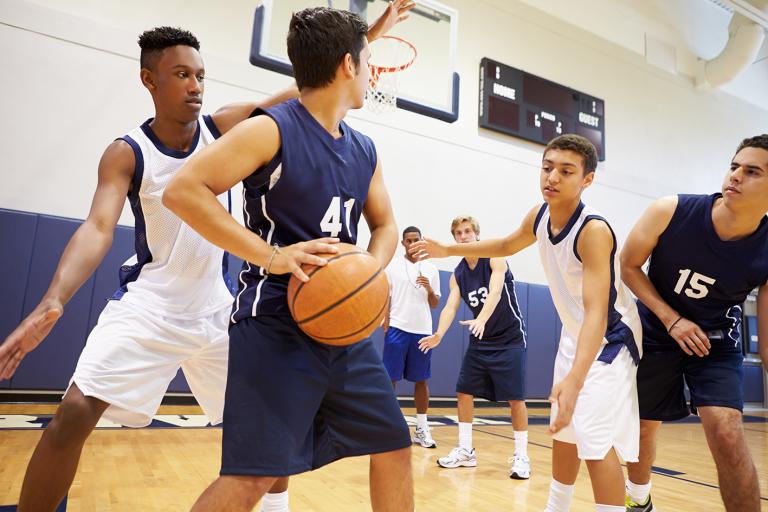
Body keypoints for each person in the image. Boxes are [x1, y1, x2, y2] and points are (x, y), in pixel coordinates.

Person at [0, 4, 412, 510]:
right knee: (74, 415)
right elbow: (97, 227)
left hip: (217, 311)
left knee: (272, 459)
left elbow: (314, 90)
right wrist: (53, 299)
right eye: (181, 75)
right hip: (151, 306)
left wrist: (368, 36)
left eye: (200, 75)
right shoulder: (129, 151)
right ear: (149, 80)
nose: (195, 85)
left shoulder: (225, 126)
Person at [163, 6, 414, 512]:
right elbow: (184, 191)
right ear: (348, 65)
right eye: (369, 61)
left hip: (342, 325)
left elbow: (385, 225)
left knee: (394, 444)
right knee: (252, 478)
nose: (372, 73)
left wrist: (369, 269)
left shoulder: (365, 148)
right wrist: (272, 256)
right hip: (276, 321)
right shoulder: (272, 130)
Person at [411, 134, 642, 512]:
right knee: (564, 430)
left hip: (611, 338)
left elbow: (598, 313)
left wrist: (576, 376)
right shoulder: (539, 215)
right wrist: (449, 250)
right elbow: (504, 245)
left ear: (587, 180)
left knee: (594, 437)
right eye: (547, 167)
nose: (552, 177)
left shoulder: (593, 231)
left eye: (566, 171)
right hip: (576, 332)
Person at [621, 134, 768, 512]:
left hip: (715, 342)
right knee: (643, 426)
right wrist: (673, 320)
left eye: (751, 171)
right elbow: (628, 265)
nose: (735, 176)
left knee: (727, 431)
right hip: (656, 329)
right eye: (734, 166)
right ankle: (639, 501)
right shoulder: (670, 210)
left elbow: (767, 346)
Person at [418, 215, 531, 479]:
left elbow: (495, 292)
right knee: (464, 392)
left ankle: (522, 456)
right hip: (481, 341)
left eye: (468, 231)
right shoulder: (458, 273)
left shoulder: (494, 257)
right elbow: (450, 306)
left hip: (509, 338)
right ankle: (466, 450)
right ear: (455, 238)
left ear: (477, 234)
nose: (463, 236)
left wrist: (481, 318)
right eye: (458, 233)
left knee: (515, 398)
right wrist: (439, 334)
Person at [383, 225, 441, 449]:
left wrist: (428, 289)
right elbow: (386, 296)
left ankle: (422, 428)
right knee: (390, 378)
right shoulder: (393, 267)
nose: (412, 244)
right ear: (403, 243)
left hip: (422, 331)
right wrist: (385, 320)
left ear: (421, 240)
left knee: (421, 379)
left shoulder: (432, 269)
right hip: (397, 327)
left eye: (416, 240)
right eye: (408, 241)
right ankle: (388, 427)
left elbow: (435, 304)